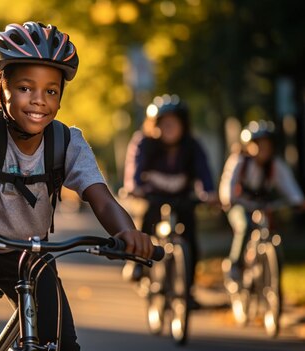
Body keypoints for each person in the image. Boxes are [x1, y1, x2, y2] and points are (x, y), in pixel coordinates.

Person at [0, 21, 155, 350]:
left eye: (51, 90)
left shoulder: (67, 142)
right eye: (25, 88)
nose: (39, 100)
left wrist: (127, 233)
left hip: (30, 252)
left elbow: (102, 200)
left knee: (60, 340)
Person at [122, 95, 216, 304]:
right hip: (153, 197)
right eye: (164, 124)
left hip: (182, 198)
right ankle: (137, 261)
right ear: (154, 126)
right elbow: (134, 171)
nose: (169, 128)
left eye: (174, 123)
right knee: (147, 221)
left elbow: (204, 173)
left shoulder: (192, 146)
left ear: (184, 125)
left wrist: (209, 193)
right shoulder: (144, 143)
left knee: (190, 239)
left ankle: (188, 291)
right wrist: (134, 187)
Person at [219, 120, 305, 279]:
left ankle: (269, 268)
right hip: (240, 205)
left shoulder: (275, 165)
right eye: (258, 144)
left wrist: (298, 200)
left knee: (270, 232)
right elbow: (227, 182)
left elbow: (288, 184)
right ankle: (235, 265)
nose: (262, 149)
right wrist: (228, 198)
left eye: (267, 145)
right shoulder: (239, 161)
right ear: (248, 146)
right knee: (244, 227)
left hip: (262, 206)